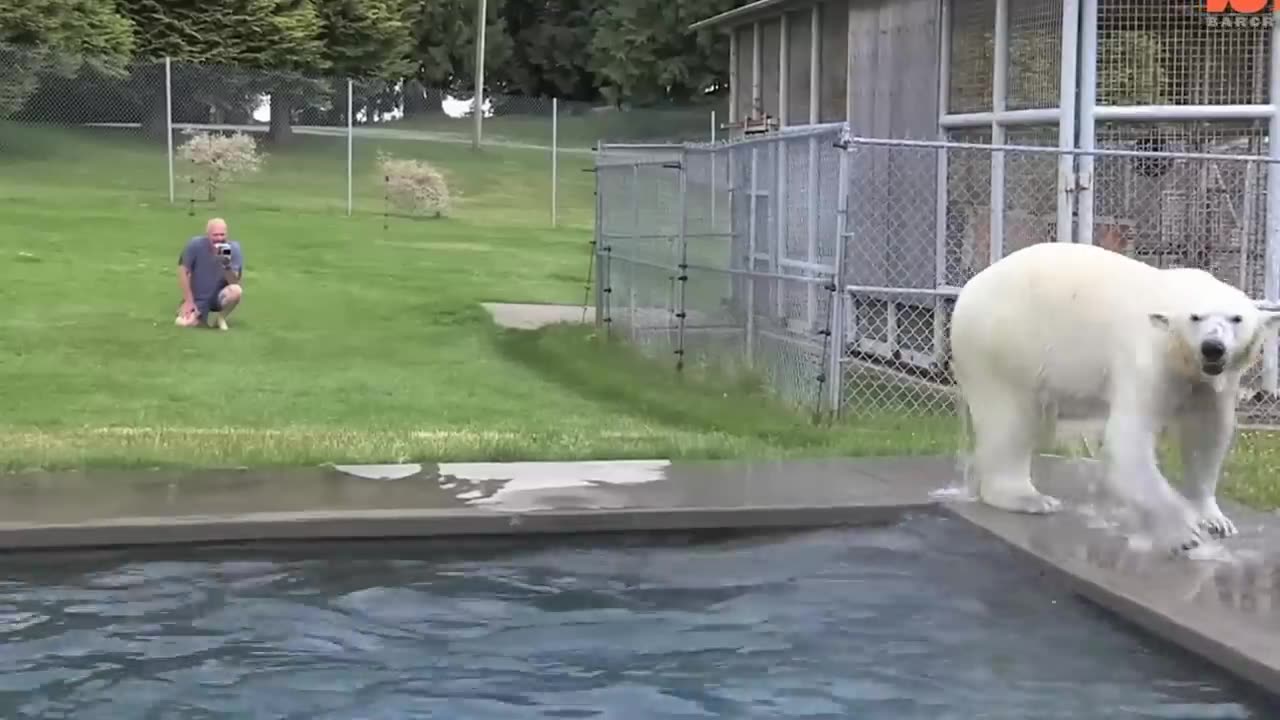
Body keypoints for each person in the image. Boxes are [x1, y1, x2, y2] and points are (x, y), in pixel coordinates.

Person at [175, 217, 244, 330]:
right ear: (208, 235)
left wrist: (225, 265)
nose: (219, 238)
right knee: (181, 323)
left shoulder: (234, 248)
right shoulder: (195, 245)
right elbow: (183, 270)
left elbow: (234, 282)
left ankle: (220, 318)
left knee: (236, 291)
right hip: (198, 298)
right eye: (215, 235)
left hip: (219, 297)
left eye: (222, 235)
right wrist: (188, 301)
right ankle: (198, 315)